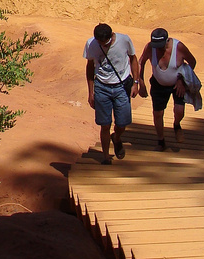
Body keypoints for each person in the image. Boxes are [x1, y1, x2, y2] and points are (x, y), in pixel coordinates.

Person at [84, 23, 139, 164]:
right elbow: (90, 66)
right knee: (105, 124)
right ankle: (106, 156)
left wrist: (136, 83)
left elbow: (133, 59)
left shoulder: (124, 40)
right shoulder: (91, 44)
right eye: (100, 42)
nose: (103, 45)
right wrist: (91, 92)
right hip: (102, 87)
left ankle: (117, 137)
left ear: (112, 36)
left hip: (121, 86)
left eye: (106, 42)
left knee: (122, 123)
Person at [138, 28, 197, 151]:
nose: (158, 49)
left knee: (179, 110)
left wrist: (182, 80)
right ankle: (161, 140)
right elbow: (141, 62)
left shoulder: (179, 47)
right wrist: (141, 83)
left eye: (160, 46)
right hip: (158, 84)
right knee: (158, 113)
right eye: (156, 46)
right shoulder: (150, 47)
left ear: (167, 41)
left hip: (177, 84)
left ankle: (176, 125)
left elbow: (192, 61)